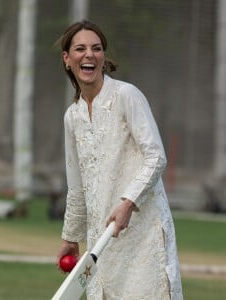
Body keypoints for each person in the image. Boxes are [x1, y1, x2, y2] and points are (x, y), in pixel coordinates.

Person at [56, 20, 183, 300]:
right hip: (100, 239)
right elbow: (77, 186)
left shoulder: (127, 95)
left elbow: (156, 157)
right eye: (80, 49)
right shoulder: (72, 116)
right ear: (67, 59)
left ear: (103, 57)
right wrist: (70, 237)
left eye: (96, 48)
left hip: (142, 232)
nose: (89, 54)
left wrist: (128, 203)